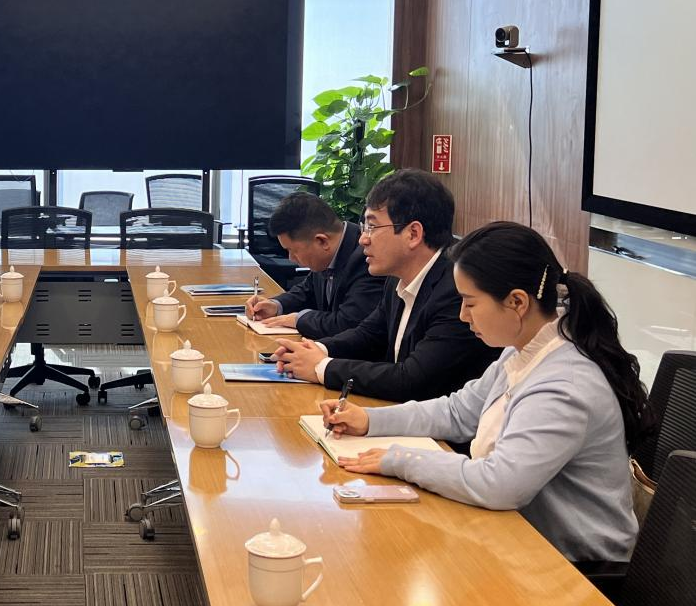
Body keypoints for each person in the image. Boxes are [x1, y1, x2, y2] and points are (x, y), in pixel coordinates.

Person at [319, 221, 652, 563]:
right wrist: (369, 420)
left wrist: (401, 460)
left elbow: (500, 483)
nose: (463, 316)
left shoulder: (564, 385)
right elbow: (458, 412)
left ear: (517, 302)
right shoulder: (524, 349)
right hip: (519, 538)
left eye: (470, 303)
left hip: (576, 567)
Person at [274, 169, 495, 400]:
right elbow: (369, 334)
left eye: (372, 227)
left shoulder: (456, 289)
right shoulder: (397, 277)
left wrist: (322, 367)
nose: (363, 239)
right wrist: (316, 350)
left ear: (413, 234)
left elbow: (413, 379)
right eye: (364, 227)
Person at [243, 192, 385, 339]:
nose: (291, 258)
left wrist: (298, 320)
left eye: (293, 251)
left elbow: (348, 323)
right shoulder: (327, 254)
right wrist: (276, 305)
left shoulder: (367, 258)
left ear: (322, 241)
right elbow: (307, 291)